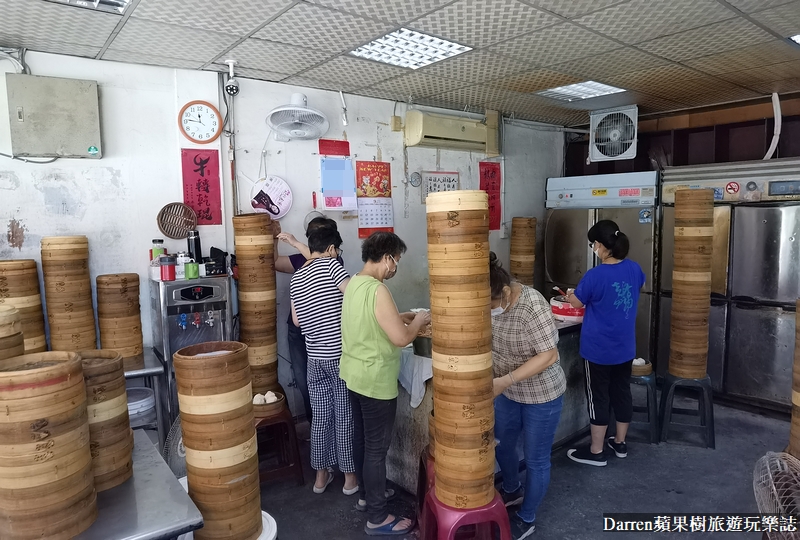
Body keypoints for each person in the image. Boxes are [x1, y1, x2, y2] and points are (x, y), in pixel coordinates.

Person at [339, 232, 430, 536]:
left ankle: (367, 496)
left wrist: (400, 316)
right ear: (388, 257)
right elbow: (402, 338)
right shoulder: (378, 290)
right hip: (375, 379)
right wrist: (418, 320)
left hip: (353, 374)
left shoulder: (353, 284)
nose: (396, 267)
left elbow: (370, 321)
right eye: (397, 261)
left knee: (362, 441)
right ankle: (377, 518)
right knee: (376, 451)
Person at [488, 252, 565, 540]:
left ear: (506, 292)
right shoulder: (488, 301)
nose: (491, 311)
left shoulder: (532, 305)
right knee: (502, 445)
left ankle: (527, 516)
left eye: (494, 305)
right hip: (506, 390)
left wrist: (505, 380)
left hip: (541, 393)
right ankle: (511, 489)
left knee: (535, 459)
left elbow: (549, 355)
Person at [566, 220, 646, 467]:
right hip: (624, 348)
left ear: (600, 245)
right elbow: (639, 286)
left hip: (598, 349)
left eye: (593, 244)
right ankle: (620, 443)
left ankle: (596, 450)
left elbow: (577, 304)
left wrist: (570, 295)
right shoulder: (634, 268)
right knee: (622, 393)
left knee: (598, 397)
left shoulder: (595, 275)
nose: (593, 248)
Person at [289, 227, 357, 494]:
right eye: (337, 250)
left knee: (320, 418)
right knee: (344, 416)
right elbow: (355, 296)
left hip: (313, 359)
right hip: (339, 358)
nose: (337, 254)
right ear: (330, 249)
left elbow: (296, 321)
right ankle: (350, 479)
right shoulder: (332, 267)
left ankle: (320, 476)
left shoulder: (297, 277)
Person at [274, 217, 339, 425]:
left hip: (324, 335)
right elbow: (275, 262)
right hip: (299, 331)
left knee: (331, 391)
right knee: (305, 382)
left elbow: (319, 260)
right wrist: (274, 236)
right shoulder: (303, 260)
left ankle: (326, 429)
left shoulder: (334, 260)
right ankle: (317, 425)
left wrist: (295, 243)